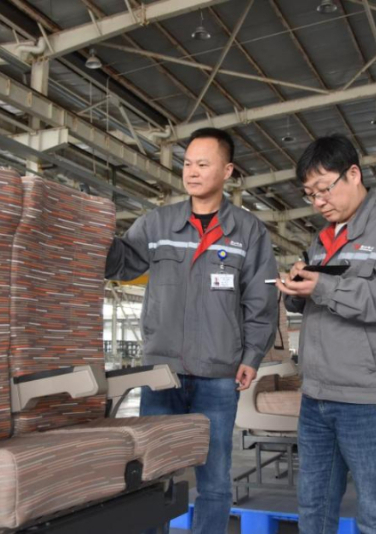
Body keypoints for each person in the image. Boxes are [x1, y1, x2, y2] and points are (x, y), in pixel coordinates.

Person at [105, 127, 278, 534]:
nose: (192, 172)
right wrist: (95, 230)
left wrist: (252, 356)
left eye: (203, 164)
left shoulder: (248, 231)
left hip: (218, 376)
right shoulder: (158, 224)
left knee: (214, 480)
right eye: (187, 164)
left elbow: (261, 301)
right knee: (154, 475)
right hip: (161, 374)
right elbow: (122, 265)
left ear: (227, 171)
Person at [275, 134, 376, 534]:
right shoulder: (321, 240)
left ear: (354, 174)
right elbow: (317, 302)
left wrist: (324, 287)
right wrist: (297, 288)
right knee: (313, 508)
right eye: (310, 194)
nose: (318, 201)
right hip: (317, 395)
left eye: (324, 188)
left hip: (369, 398)